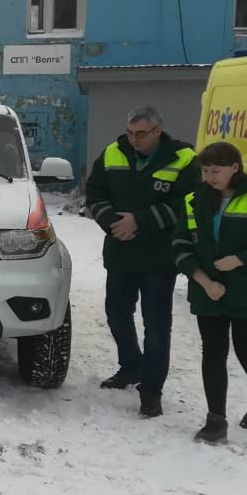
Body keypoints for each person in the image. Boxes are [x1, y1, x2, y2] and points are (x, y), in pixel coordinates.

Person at [85, 106, 198, 417]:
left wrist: (141, 220)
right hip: (121, 251)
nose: (133, 140)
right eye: (131, 133)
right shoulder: (112, 153)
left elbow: (189, 203)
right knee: (116, 314)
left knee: (157, 325)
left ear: (157, 131)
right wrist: (113, 222)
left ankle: (151, 390)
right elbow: (94, 193)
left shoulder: (183, 159)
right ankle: (131, 365)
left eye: (141, 134)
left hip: (159, 258)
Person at [173, 141, 247, 443]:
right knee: (213, 352)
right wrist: (204, 281)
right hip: (208, 291)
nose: (210, 177)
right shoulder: (193, 199)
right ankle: (216, 419)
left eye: (216, 170)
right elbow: (181, 244)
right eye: (206, 171)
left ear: (235, 167)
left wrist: (240, 259)